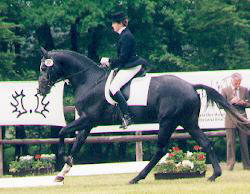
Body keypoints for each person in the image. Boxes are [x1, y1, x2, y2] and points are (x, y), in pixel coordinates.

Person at [100, 11, 148, 129]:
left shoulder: (126, 36)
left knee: (113, 88)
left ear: (120, 24)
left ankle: (127, 116)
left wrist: (109, 61)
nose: (112, 26)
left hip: (132, 66)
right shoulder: (124, 35)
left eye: (114, 23)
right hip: (128, 64)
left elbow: (123, 58)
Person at [221, 73, 250, 170]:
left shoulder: (245, 90)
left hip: (243, 120)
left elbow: (249, 103)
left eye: (239, 82)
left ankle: (247, 166)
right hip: (230, 120)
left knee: (244, 143)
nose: (238, 84)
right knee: (230, 143)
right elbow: (221, 105)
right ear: (232, 81)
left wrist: (243, 103)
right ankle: (230, 165)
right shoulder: (225, 90)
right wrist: (231, 102)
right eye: (236, 82)